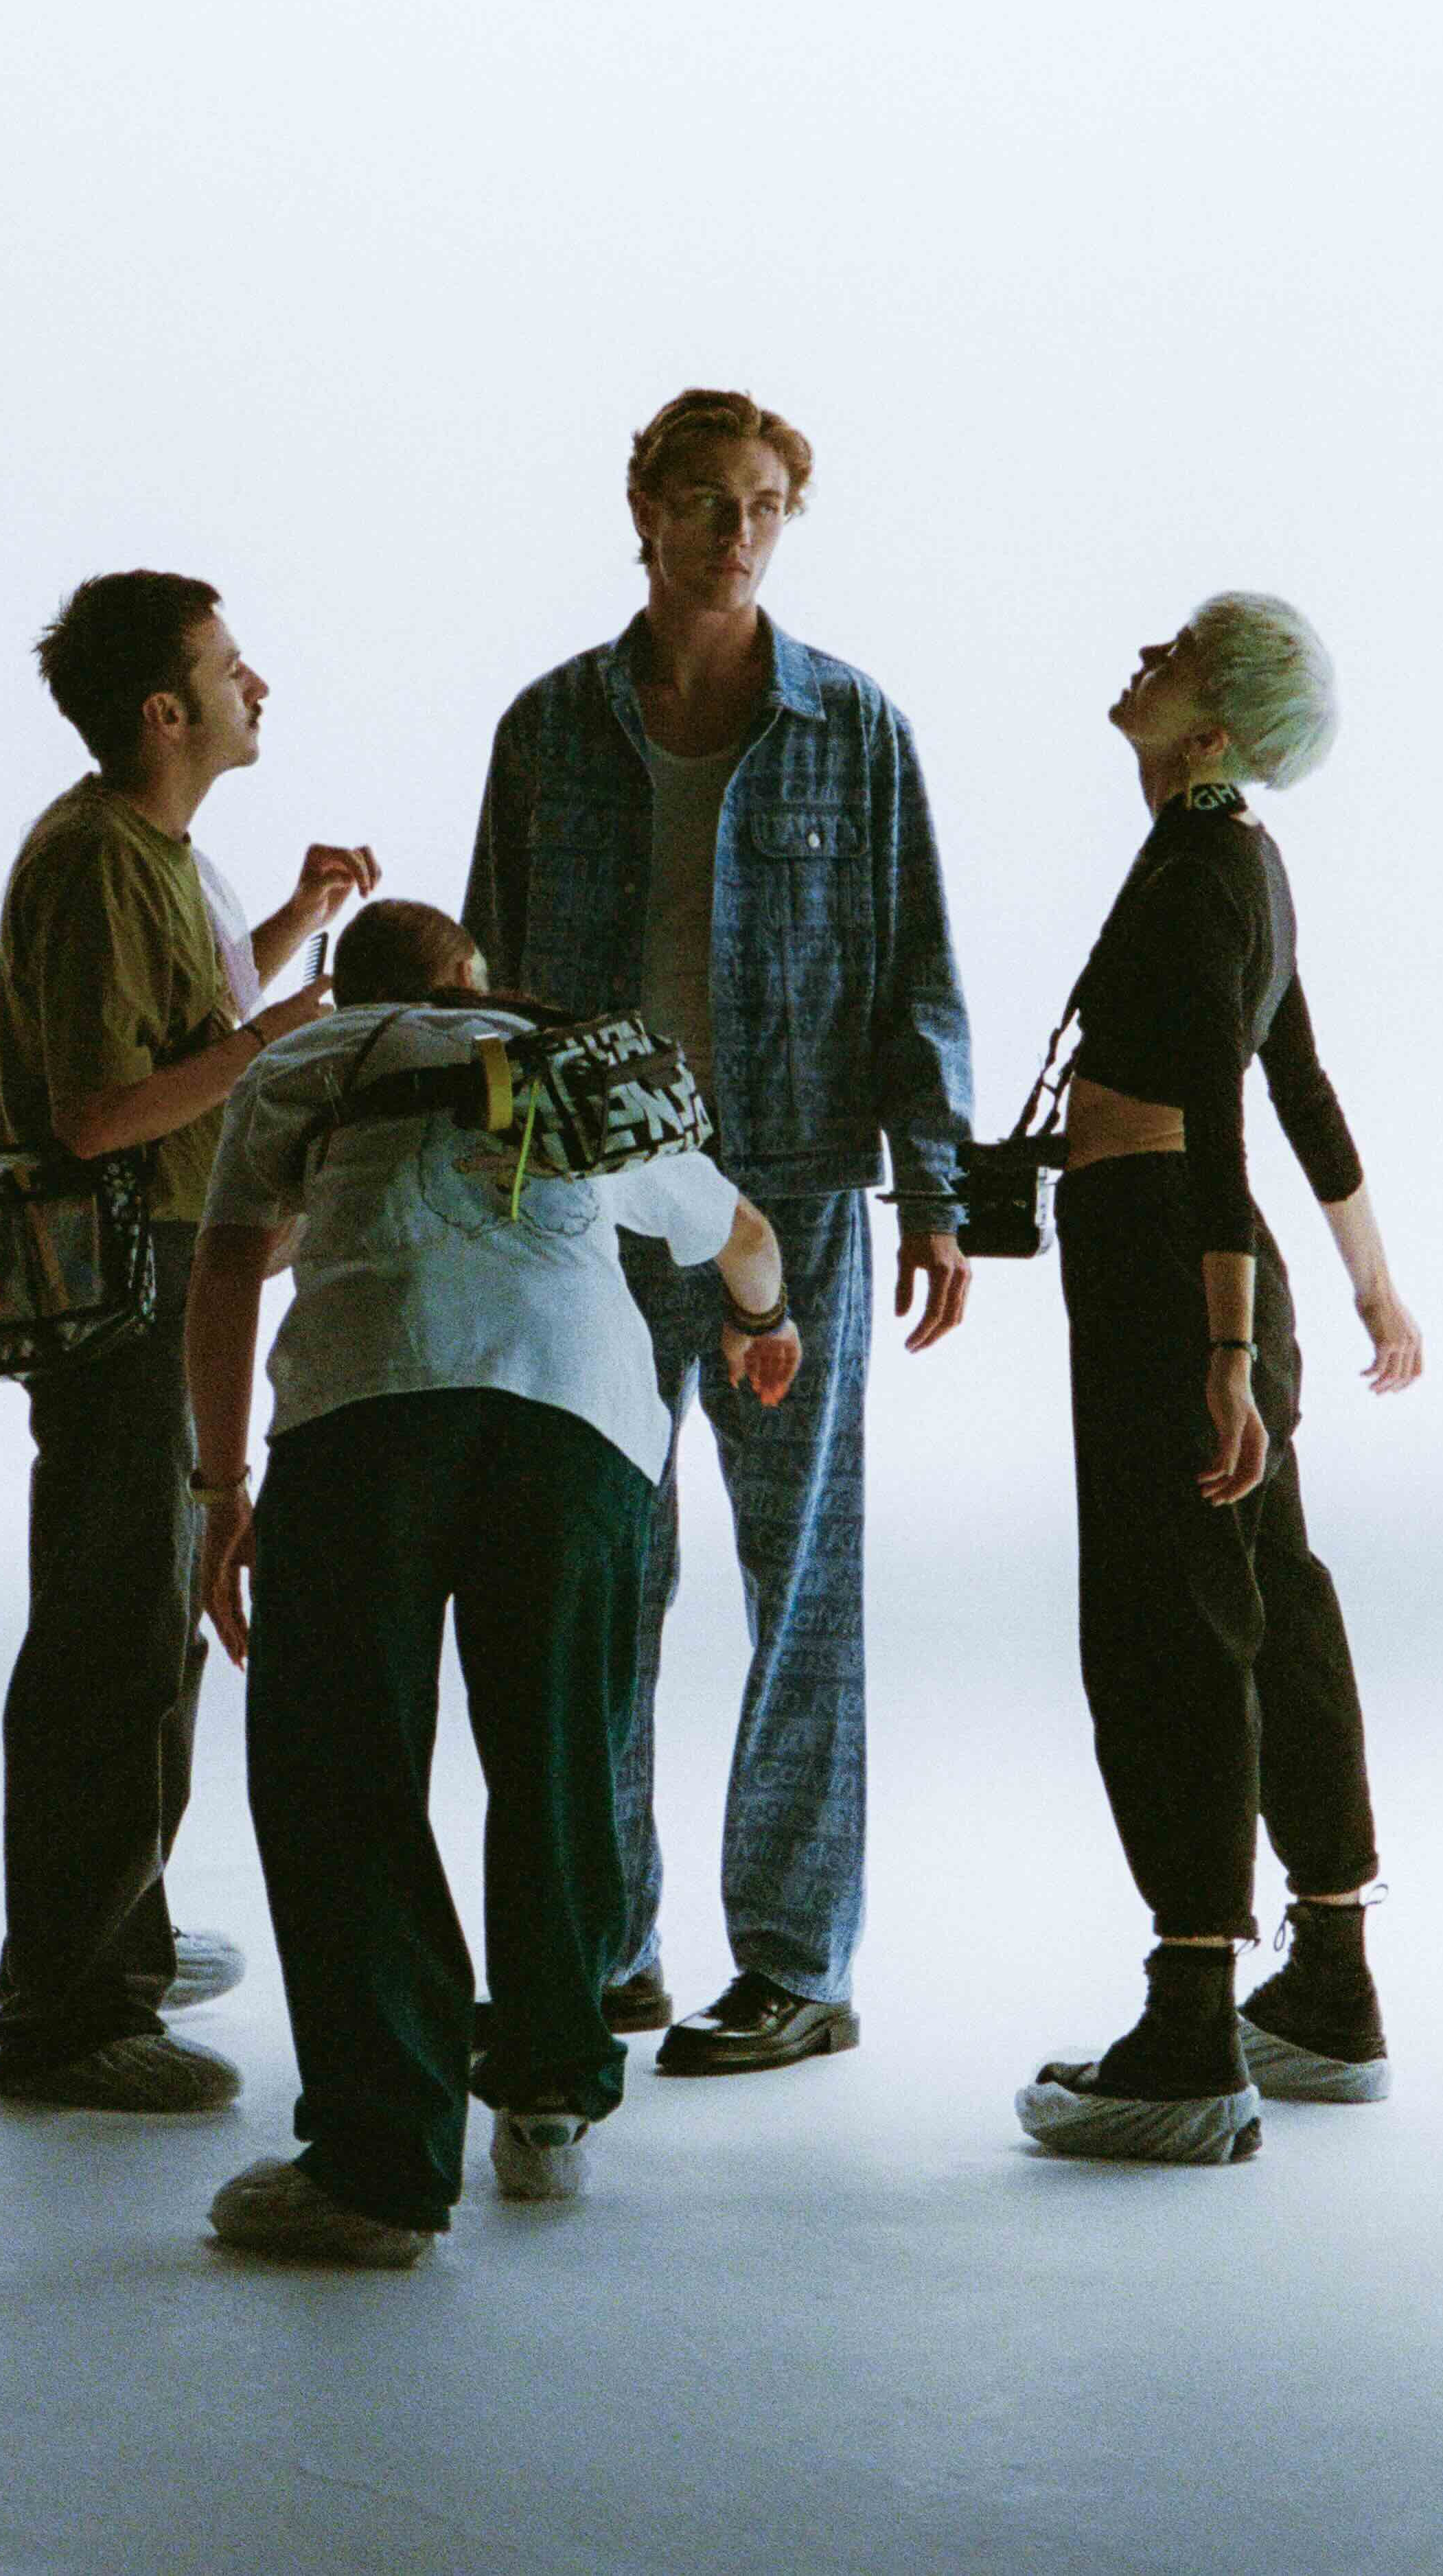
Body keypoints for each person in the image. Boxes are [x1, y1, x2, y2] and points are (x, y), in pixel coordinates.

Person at [460, 389, 973, 2078]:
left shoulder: (853, 726)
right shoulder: (549, 727)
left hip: (801, 1203)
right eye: (703, 497)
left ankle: (798, 1962)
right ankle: (610, 1942)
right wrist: (486, 1195)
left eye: (763, 503)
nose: (733, 529)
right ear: (642, 504)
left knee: (800, 1582)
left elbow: (920, 974)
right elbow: (488, 976)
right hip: (597, 1214)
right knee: (604, 1573)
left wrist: (939, 1195)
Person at [185, 899, 806, 2266]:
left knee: (340, 1771)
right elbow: (746, 1236)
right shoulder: (576, 1056)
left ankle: (378, 2164)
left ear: (346, 985)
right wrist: (764, 1327)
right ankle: (546, 2101)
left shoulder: (305, 1062)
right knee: (561, 1754)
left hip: (366, 1412)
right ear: (481, 979)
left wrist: (220, 1491)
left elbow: (227, 1260)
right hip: (572, 1427)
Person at [1012, 593, 1427, 2166]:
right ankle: (1328, 1984)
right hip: (1209, 1263)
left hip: (1166, 1263)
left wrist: (1229, 1352)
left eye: (1178, 648)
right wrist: (1372, 1282)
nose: (1141, 651)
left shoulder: (1200, 866)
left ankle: (1191, 2022)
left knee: (1165, 1619)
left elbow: (1218, 1104)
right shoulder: (1242, 856)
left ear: (1215, 720)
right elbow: (1301, 1079)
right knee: (1272, 1594)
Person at [0, 571, 377, 2112]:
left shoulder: (146, 850)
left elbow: (171, 1028)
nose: (255, 682)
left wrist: (287, 929)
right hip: (123, 1281)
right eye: (227, 666)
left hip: (157, 1271)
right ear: (166, 711)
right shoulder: (94, 859)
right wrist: (288, 1033)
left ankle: (110, 1932)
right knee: (112, 1635)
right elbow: (100, 1110)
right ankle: (73, 2010)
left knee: (141, 1624)